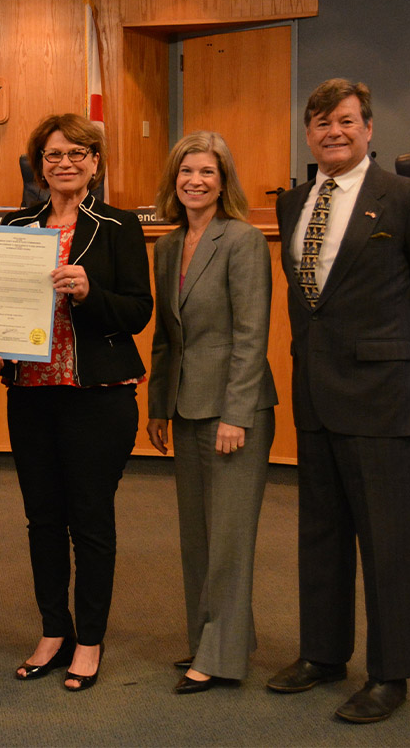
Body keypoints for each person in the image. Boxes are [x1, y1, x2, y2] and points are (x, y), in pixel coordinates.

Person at [266, 79, 410, 723]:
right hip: (316, 394)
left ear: (369, 128)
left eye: (345, 121)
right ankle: (323, 654)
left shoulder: (408, 198)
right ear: (308, 134)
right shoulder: (295, 203)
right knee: (320, 532)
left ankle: (391, 673)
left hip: (381, 394)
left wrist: (402, 365)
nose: (333, 133)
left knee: (387, 541)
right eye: (320, 124)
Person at [0, 114, 153, 692]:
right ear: (39, 165)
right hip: (31, 395)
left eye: (77, 153)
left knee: (90, 521)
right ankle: (53, 630)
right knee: (43, 521)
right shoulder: (16, 225)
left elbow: (137, 311)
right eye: (53, 154)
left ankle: (89, 639)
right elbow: (2, 303)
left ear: (95, 163)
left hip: (96, 398)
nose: (65, 163)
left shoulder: (117, 226)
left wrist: (90, 292)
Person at [146, 131, 278, 694]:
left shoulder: (243, 240)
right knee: (197, 534)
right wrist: (157, 405)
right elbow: (166, 336)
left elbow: (252, 334)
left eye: (206, 172)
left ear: (224, 181)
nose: (194, 181)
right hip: (184, 403)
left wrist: (236, 413)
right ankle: (212, 636)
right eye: (185, 172)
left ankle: (221, 657)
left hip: (232, 408)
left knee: (228, 535)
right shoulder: (171, 244)